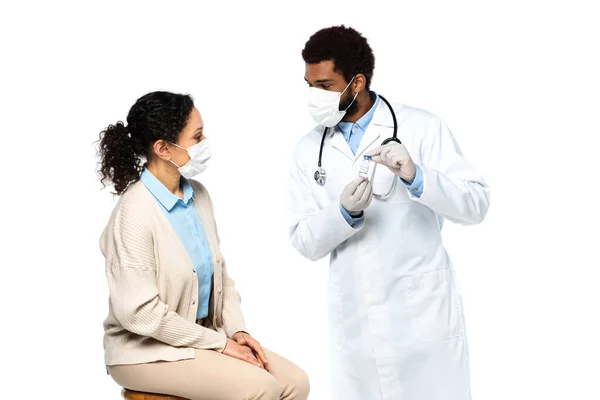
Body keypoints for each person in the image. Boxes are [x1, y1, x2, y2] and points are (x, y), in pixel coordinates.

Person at [287, 26, 490, 400]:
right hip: (356, 325)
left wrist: (417, 177)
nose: (315, 96)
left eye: (326, 86)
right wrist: (343, 214)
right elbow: (304, 240)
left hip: (422, 317)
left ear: (357, 82)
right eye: (309, 85)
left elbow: (475, 205)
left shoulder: (421, 127)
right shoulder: (307, 149)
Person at [98, 91, 309, 400]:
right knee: (261, 388)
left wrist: (237, 331)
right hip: (144, 351)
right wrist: (220, 344)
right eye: (197, 136)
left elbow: (219, 275)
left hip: (200, 339)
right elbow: (139, 313)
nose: (205, 141)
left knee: (295, 382)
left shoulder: (198, 194)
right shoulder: (134, 214)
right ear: (163, 148)